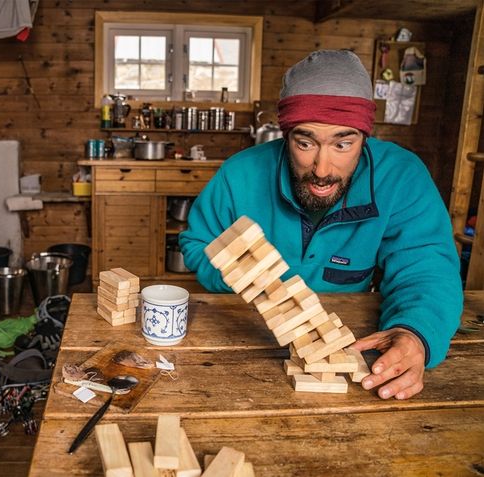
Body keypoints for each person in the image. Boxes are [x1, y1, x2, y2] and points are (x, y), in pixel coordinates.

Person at [179, 49, 462, 400]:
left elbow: (426, 268)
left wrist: (416, 331)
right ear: (285, 136)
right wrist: (255, 281)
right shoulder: (240, 173)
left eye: (343, 144)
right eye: (305, 142)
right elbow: (197, 243)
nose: (323, 169)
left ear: (364, 136)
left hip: (350, 342)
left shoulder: (402, 177)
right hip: (243, 338)